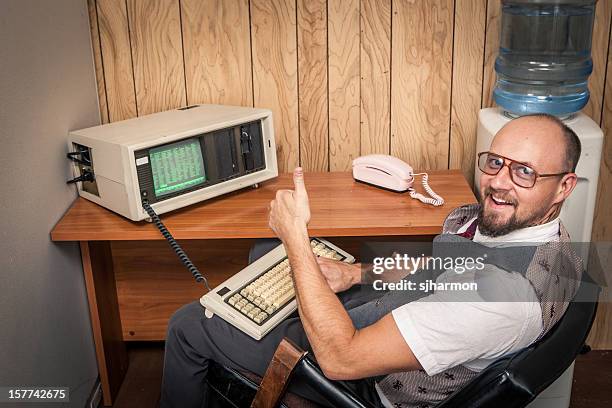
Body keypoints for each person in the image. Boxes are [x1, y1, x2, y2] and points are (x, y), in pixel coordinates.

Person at [160, 114, 583, 408]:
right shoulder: (542, 240)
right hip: (410, 316)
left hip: (366, 376)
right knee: (263, 255)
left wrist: (295, 237)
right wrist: (355, 273)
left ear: (563, 186)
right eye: (495, 163)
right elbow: (444, 271)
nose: (498, 183)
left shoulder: (498, 297)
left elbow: (342, 358)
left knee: (187, 326)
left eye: (524, 172)